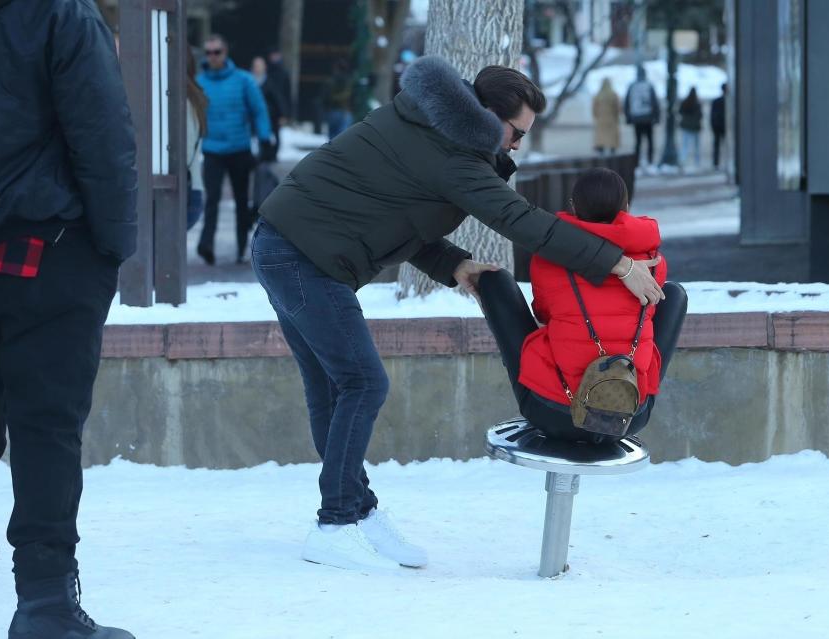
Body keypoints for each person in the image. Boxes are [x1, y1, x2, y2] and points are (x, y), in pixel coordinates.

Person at [252, 56, 664, 572]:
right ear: (490, 116)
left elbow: (395, 213)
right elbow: (520, 220)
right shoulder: (452, 155)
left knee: (335, 387)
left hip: (290, 248)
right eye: (516, 133)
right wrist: (617, 262)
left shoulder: (427, 126)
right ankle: (336, 522)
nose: (517, 145)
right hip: (301, 258)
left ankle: (356, 512)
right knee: (362, 384)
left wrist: (452, 264)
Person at [0, 0, 137, 637]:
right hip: (43, 248)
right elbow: (102, 135)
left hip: (34, 243)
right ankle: (47, 604)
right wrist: (112, 247)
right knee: (45, 426)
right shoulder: (60, 14)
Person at [480, 169, 681, 444]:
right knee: (673, 294)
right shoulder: (653, 261)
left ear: (573, 207)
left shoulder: (549, 258)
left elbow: (543, 314)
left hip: (553, 410)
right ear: (626, 208)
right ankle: (643, 388)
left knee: (495, 281)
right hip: (629, 413)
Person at [196, 34, 272, 265]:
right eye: (208, 53)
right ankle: (206, 244)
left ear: (225, 53)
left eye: (217, 52)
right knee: (211, 200)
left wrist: (265, 138)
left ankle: (241, 246)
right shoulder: (200, 82)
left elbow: (258, 110)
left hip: (239, 149)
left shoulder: (243, 80)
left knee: (241, 200)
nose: (213, 57)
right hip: (212, 150)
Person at [187, 48, 208, 231]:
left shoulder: (181, 99)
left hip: (184, 191)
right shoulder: (191, 95)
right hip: (191, 187)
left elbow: (184, 150)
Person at [624, 66, 660, 169]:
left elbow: (627, 102)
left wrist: (628, 117)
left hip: (636, 118)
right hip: (648, 118)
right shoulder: (649, 86)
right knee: (650, 141)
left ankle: (636, 163)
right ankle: (650, 162)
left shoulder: (632, 86)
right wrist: (656, 117)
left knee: (638, 142)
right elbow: (655, 102)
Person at [252, 56, 287, 159]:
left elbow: (278, 99)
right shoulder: (248, 82)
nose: (257, 68)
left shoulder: (270, 82)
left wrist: (282, 114)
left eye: (259, 66)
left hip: (270, 117)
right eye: (255, 66)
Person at [325, 58, 354, 140]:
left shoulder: (331, 80)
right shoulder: (349, 81)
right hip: (344, 111)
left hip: (333, 110)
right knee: (342, 137)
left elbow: (327, 96)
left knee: (332, 137)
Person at [592, 78, 621, 155]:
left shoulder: (598, 95)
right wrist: (617, 116)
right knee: (612, 137)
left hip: (601, 119)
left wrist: (596, 116)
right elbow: (618, 108)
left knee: (601, 136)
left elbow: (594, 108)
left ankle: (601, 149)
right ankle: (612, 150)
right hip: (612, 119)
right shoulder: (613, 95)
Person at [678, 87, 703, 170]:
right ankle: (697, 162)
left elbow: (680, 112)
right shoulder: (697, 103)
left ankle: (683, 160)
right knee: (696, 146)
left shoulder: (685, 102)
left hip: (686, 126)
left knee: (685, 145)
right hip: (695, 127)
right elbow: (700, 115)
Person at [711, 83, 727, 169]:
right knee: (726, 145)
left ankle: (716, 163)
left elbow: (712, 115)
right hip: (723, 127)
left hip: (717, 126)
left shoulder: (716, 101)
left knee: (716, 145)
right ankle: (725, 162)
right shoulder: (728, 101)